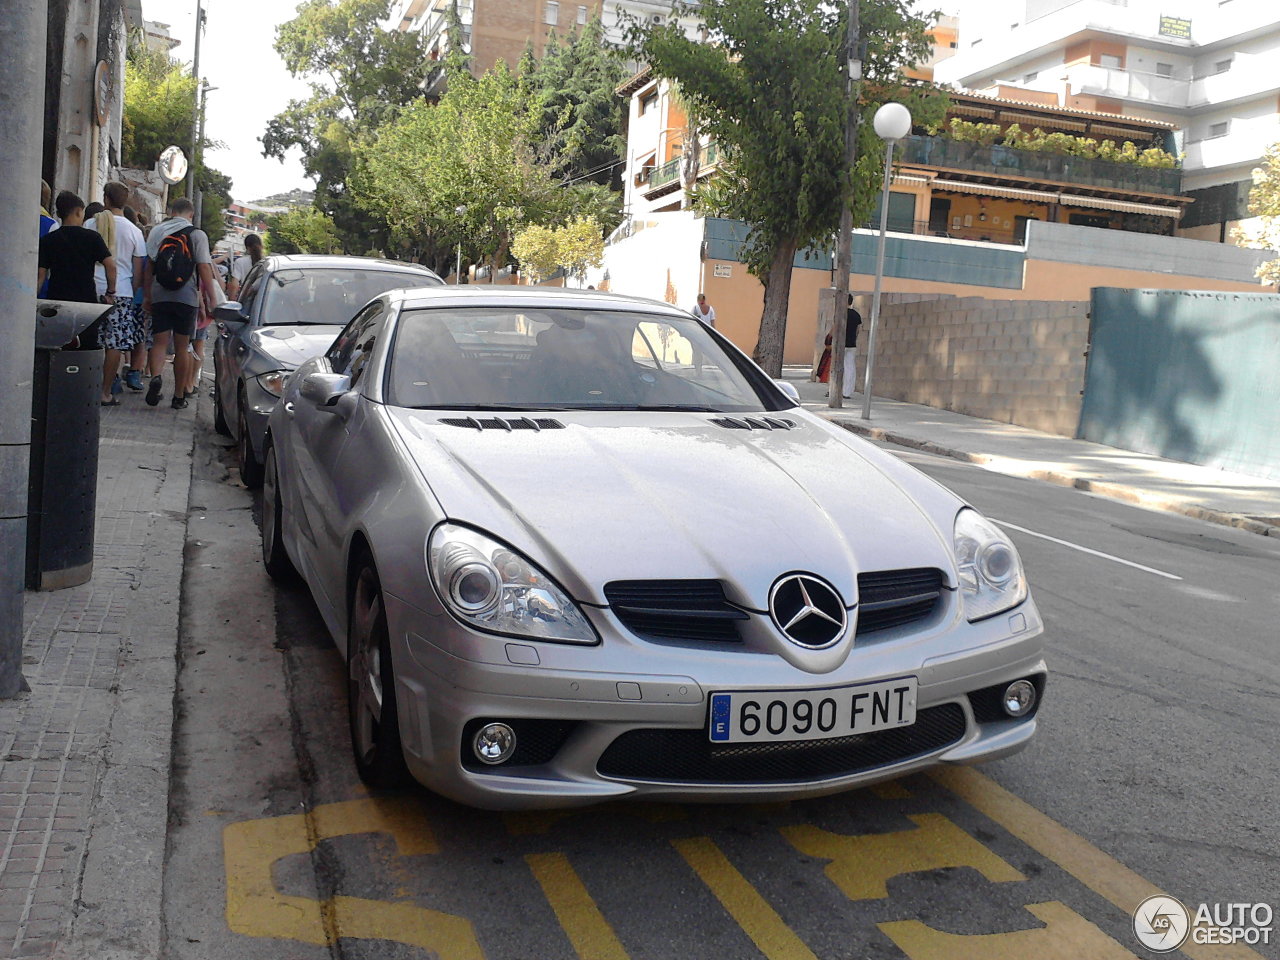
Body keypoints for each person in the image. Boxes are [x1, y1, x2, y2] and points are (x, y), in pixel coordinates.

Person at [142, 197, 217, 410]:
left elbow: (150, 267)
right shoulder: (197, 234)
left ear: (171, 211)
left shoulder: (157, 231)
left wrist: (148, 295)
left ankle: (156, 376)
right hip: (186, 296)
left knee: (159, 342)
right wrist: (210, 298)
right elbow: (204, 268)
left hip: (160, 294)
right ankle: (178, 396)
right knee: (183, 347)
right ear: (190, 214)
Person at [88, 181, 148, 403]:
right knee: (115, 342)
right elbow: (138, 268)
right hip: (122, 291)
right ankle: (105, 391)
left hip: (92, 288)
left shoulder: (91, 224)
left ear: (105, 199)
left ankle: (86, 386)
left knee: (91, 340)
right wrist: (130, 290)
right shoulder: (134, 231)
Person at [37, 192, 116, 357]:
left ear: (59, 214)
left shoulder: (48, 240)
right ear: (79, 212)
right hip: (85, 302)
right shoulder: (92, 238)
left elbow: (41, 275)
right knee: (86, 349)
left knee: (56, 347)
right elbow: (110, 266)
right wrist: (110, 292)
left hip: (56, 302)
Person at [227, 233, 263, 298]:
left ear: (246, 247)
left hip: (246, 298)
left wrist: (232, 301)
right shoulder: (266, 263)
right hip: (262, 300)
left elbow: (234, 285)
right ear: (261, 246)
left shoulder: (240, 262)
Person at [841, 295, 862, 400]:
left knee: (838, 368)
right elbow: (858, 330)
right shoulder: (856, 315)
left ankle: (836, 389)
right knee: (850, 368)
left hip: (840, 345)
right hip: (852, 344)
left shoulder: (841, 314)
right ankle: (847, 392)